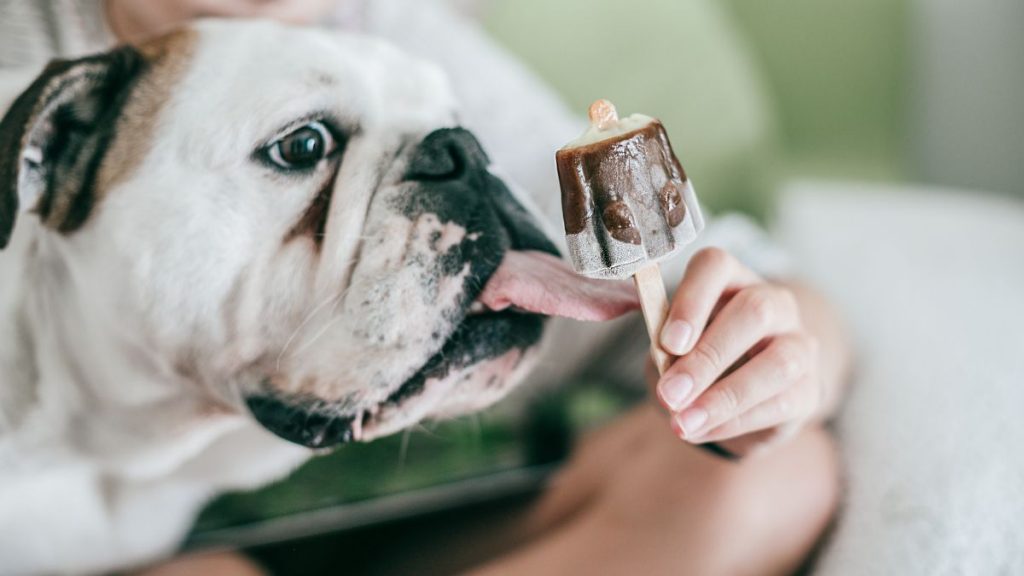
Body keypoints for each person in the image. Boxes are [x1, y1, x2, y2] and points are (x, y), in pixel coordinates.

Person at [1, 1, 851, 574]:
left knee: (773, 478)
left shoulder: (389, 39)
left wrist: (764, 356)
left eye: (455, 144)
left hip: (304, 530)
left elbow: (745, 289)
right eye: (300, 149)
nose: (446, 171)